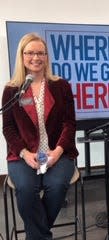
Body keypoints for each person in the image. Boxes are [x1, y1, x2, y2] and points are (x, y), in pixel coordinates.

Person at [2, 33, 78, 239]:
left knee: (57, 185)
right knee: (26, 189)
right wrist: (25, 154)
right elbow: (8, 128)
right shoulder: (11, 90)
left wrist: (57, 151)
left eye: (40, 53)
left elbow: (69, 124)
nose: (35, 57)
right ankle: (42, 235)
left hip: (59, 151)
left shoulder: (61, 86)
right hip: (23, 154)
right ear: (22, 56)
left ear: (46, 56)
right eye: (30, 53)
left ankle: (35, 235)